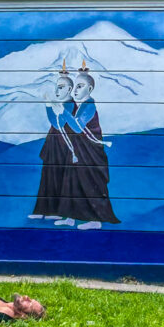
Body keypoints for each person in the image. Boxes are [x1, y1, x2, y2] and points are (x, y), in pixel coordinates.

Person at [52, 63, 119, 230]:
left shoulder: (89, 105)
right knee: (71, 182)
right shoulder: (82, 105)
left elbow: (77, 127)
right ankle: (70, 217)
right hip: (79, 152)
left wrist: (64, 112)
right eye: (75, 86)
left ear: (89, 89)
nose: (75, 90)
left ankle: (95, 220)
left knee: (89, 183)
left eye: (80, 86)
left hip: (90, 154)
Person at [29, 62, 77, 220]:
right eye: (57, 87)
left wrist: (48, 106)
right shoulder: (62, 104)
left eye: (61, 87)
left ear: (69, 89)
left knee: (57, 176)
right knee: (48, 176)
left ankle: (55, 211)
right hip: (54, 145)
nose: (57, 91)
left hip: (63, 147)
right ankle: (42, 210)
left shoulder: (69, 105)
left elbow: (57, 123)